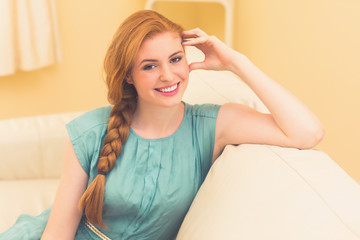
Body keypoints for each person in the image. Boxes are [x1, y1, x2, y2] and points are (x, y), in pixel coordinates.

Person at [0, 9, 324, 240]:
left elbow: (308, 132)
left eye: (175, 59)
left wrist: (236, 62)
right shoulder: (89, 132)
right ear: (129, 75)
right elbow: (57, 233)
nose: (168, 76)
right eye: (149, 66)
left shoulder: (212, 125)